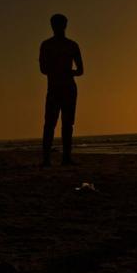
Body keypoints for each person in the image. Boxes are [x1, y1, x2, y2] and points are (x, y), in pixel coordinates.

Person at [39, 13, 84, 166]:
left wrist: (66, 71)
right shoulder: (47, 45)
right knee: (51, 123)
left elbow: (80, 70)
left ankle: (65, 157)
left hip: (67, 88)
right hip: (55, 88)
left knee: (66, 123)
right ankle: (47, 159)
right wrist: (60, 70)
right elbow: (43, 69)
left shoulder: (72, 45)